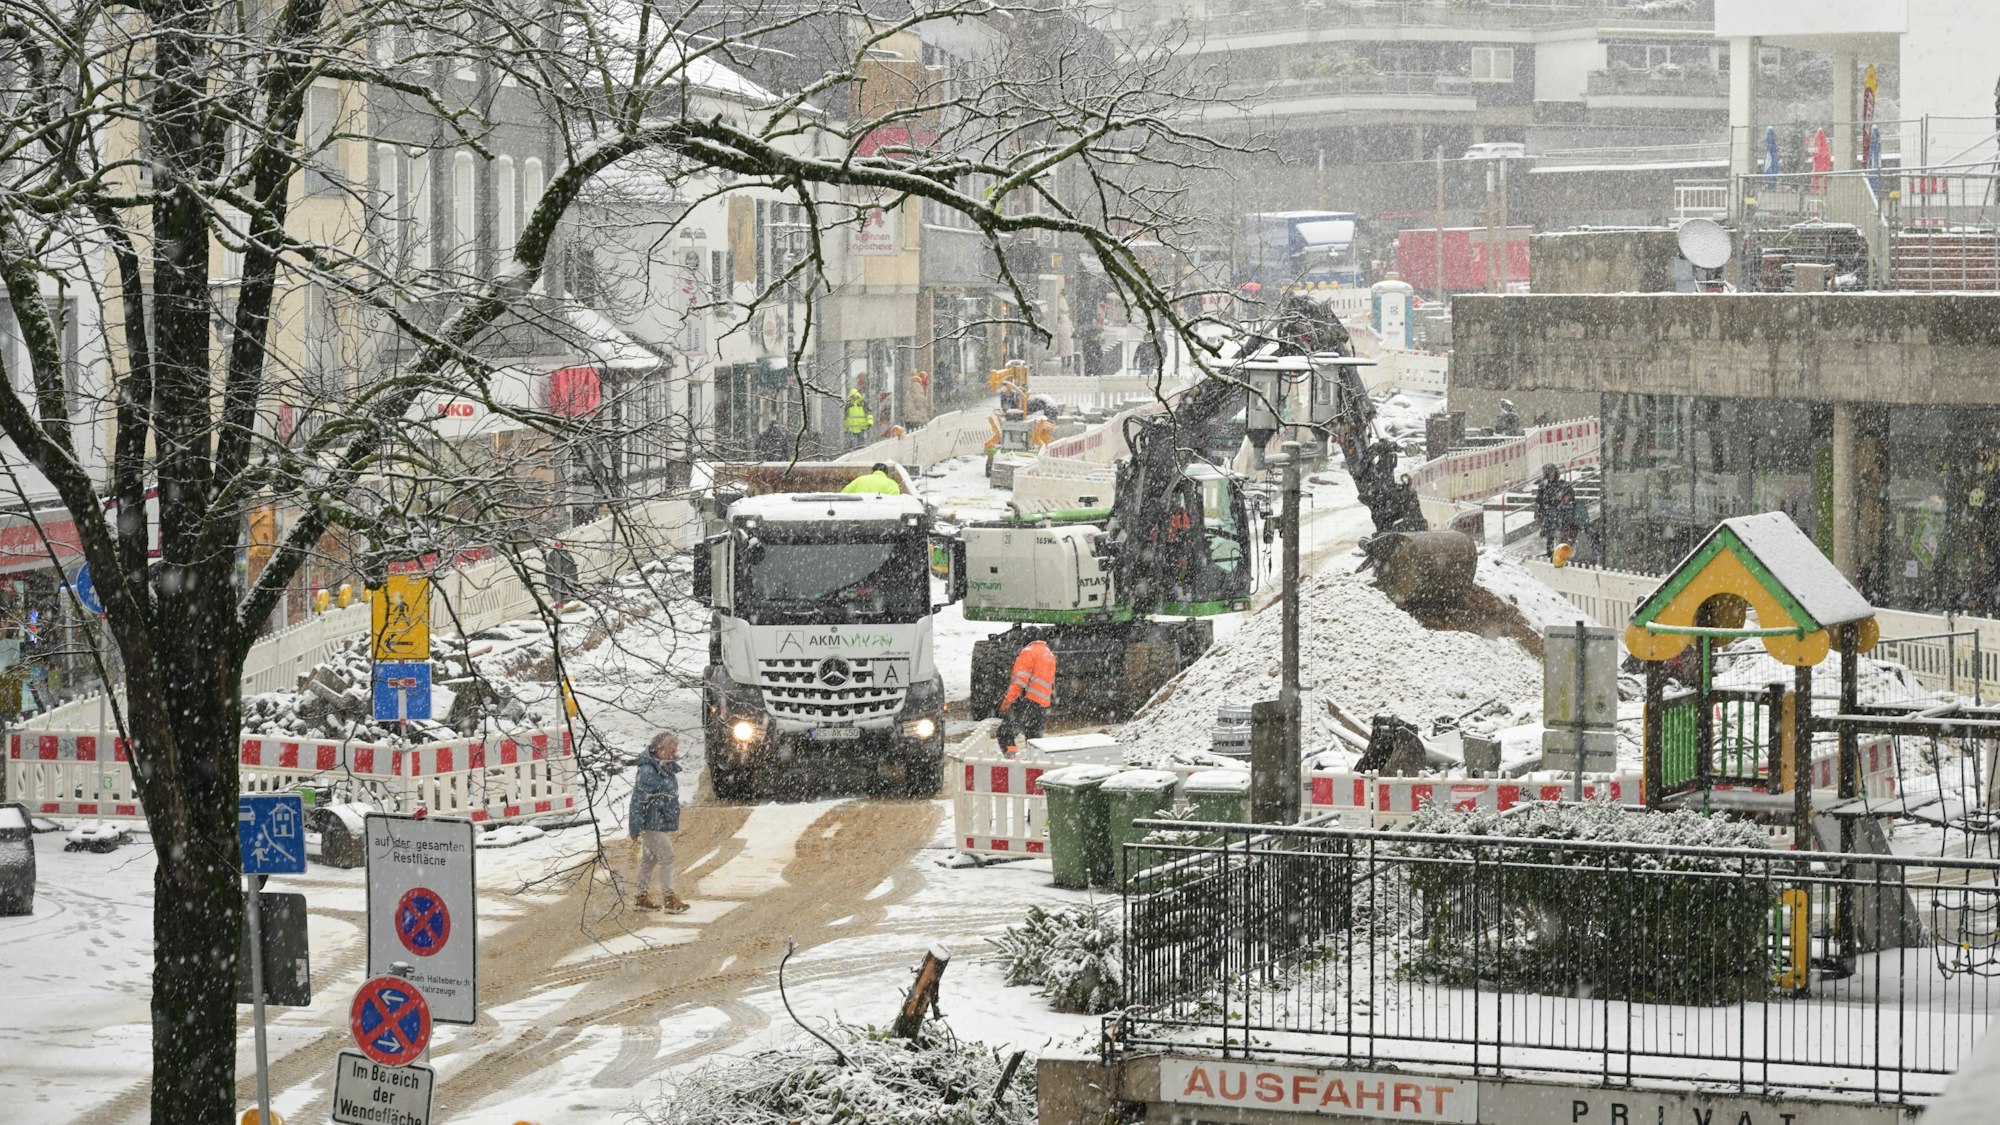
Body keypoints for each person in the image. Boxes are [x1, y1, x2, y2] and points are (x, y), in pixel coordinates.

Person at [628, 733, 689, 914]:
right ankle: (669, 898)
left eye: (674, 751)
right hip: (650, 824)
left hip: (656, 821)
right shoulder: (648, 771)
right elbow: (637, 801)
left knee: (650, 859)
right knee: (667, 857)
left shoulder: (663, 767)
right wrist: (635, 828)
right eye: (670, 751)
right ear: (658, 750)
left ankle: (641, 897)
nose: (673, 755)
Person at [998, 638, 1056, 755]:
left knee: (1004, 734)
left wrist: (1009, 699)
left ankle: (1012, 759)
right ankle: (1035, 767)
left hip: (1027, 702)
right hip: (1042, 704)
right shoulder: (1049, 654)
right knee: (1034, 741)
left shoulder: (1028, 652)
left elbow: (1020, 680)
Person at [1532, 463, 1576, 560]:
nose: (1551, 475)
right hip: (1549, 515)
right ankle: (1550, 555)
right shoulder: (1543, 485)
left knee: (1561, 535)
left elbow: (1571, 494)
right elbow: (1539, 500)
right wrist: (1538, 514)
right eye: (1548, 473)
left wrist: (1567, 498)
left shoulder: (1562, 484)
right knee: (1550, 536)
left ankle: (1561, 555)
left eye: (1552, 472)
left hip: (1560, 513)